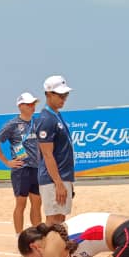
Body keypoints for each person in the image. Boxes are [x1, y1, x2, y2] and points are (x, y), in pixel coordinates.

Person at [0, 92, 42, 233]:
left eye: (33, 104)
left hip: (36, 169)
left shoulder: (37, 123)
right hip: (21, 170)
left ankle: (37, 234)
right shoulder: (12, 125)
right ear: (20, 106)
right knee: (21, 204)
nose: (32, 107)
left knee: (37, 203)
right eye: (29, 104)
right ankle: (19, 236)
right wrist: (7, 162)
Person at [35, 75, 76, 224]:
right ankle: (48, 247)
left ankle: (57, 247)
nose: (64, 98)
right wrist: (58, 183)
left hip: (63, 176)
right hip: (53, 179)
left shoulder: (56, 116)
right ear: (49, 94)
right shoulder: (46, 119)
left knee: (60, 218)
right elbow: (47, 154)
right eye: (60, 95)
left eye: (66, 94)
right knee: (53, 219)